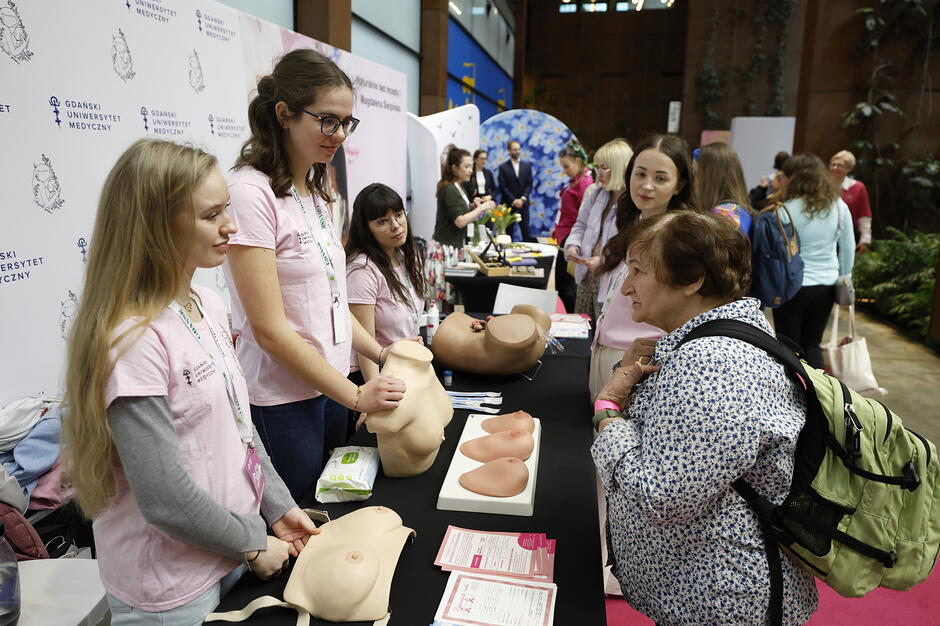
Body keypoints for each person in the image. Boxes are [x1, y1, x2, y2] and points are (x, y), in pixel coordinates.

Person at [62, 139, 318, 624]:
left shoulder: (207, 304)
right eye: (211, 215)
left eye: (227, 209)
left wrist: (278, 508)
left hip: (227, 551)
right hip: (173, 586)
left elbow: (239, 430)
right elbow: (164, 498)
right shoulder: (131, 338)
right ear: (158, 225)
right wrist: (251, 540)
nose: (231, 226)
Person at [591, 210, 818, 625]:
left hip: (720, 598)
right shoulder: (714, 341)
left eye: (639, 271)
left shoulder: (714, 362)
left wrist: (607, 412)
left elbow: (658, 495)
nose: (626, 287)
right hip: (703, 589)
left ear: (693, 279)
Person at [225, 49, 405, 500]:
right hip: (282, 399)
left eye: (346, 122)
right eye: (328, 120)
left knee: (335, 506)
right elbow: (268, 330)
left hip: (330, 389)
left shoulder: (319, 191)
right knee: (303, 518)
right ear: (284, 114)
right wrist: (355, 395)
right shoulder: (250, 194)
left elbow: (332, 306)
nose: (339, 134)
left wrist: (383, 356)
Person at [590, 133, 693, 400]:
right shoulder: (632, 223)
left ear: (679, 185)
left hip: (639, 363)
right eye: (640, 174)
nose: (646, 186)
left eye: (660, 178)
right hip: (606, 349)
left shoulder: (680, 238)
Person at [773, 153, 855, 369]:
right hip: (826, 286)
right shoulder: (838, 206)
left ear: (794, 178)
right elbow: (847, 248)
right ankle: (817, 398)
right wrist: (845, 276)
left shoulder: (785, 209)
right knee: (812, 344)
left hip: (791, 287)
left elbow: (777, 253)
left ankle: (789, 397)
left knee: (787, 347)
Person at [345, 183, 427, 384]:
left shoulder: (405, 254)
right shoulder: (362, 270)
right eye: (383, 221)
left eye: (399, 215)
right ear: (366, 229)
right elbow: (364, 344)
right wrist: (373, 392)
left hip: (407, 367)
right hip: (377, 375)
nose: (396, 225)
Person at [564, 138, 633, 318]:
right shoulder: (595, 194)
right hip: (586, 274)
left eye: (605, 168)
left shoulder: (632, 204)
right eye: (597, 167)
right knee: (581, 327)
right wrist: (573, 246)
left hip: (611, 278)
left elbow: (629, 246)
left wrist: (603, 261)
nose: (598, 173)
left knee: (602, 330)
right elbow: (580, 225)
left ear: (620, 168)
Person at [552, 141, 594, 313]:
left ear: (578, 162)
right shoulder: (575, 181)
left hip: (572, 239)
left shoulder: (585, 184)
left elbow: (585, 217)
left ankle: (572, 319)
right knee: (562, 286)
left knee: (567, 287)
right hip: (565, 236)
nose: (564, 171)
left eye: (566, 166)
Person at [433, 146, 494, 249]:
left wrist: (472, 207)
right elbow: (460, 221)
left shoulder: (459, 187)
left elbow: (459, 210)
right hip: (445, 247)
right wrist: (482, 208)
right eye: (466, 167)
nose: (470, 171)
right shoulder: (450, 189)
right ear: (455, 168)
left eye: (471, 167)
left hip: (455, 244)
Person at [694, 141, 753, 234]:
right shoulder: (735, 211)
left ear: (711, 178)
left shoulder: (724, 216)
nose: (692, 179)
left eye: (696, 173)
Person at [829, 149, 872, 253]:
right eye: (832, 164)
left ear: (849, 168)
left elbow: (864, 214)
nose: (834, 168)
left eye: (839, 165)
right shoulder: (822, 185)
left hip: (848, 236)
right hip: (824, 236)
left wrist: (865, 239)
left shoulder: (858, 187)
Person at [498, 140, 534, 241]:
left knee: (526, 232)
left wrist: (522, 199)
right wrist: (514, 200)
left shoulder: (526, 166)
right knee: (508, 234)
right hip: (509, 206)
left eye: (518, 149)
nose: (517, 151)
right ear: (509, 151)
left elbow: (529, 184)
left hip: (523, 205)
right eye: (514, 149)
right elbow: (503, 187)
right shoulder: (503, 167)